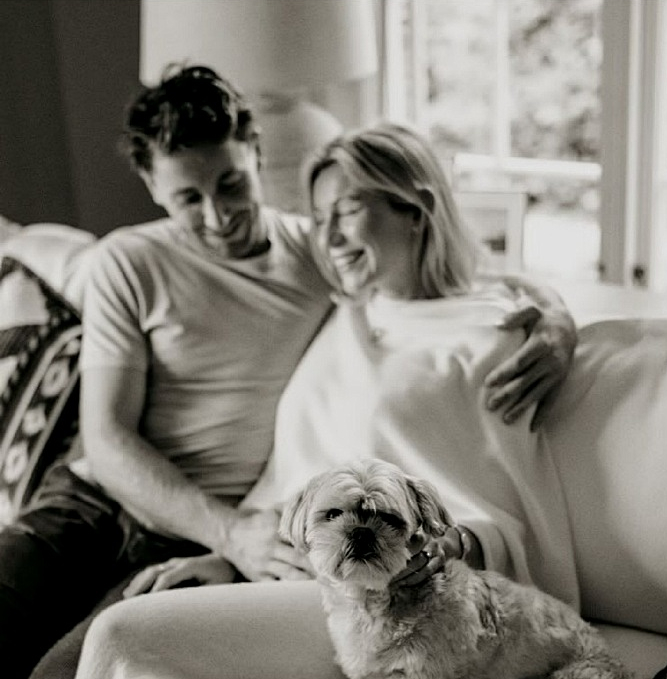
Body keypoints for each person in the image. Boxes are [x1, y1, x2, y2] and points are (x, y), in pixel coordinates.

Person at [0, 67, 575, 679]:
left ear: (256, 153)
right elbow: (108, 440)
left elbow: (443, 282)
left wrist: (559, 320)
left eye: (231, 184)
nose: (219, 215)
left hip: (209, 530)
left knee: (70, 666)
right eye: (189, 199)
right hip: (98, 505)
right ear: (152, 186)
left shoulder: (318, 255)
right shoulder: (127, 262)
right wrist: (231, 538)